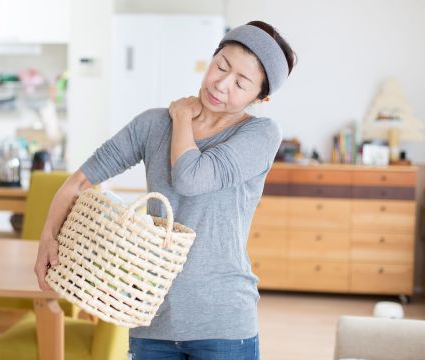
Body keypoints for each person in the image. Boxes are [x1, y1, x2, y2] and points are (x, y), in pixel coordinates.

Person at [35, 20, 297, 359]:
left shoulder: (260, 135)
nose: (221, 83)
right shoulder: (153, 124)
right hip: (151, 320)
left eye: (241, 83)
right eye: (221, 66)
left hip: (222, 324)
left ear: (260, 98)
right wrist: (47, 236)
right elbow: (80, 180)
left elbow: (190, 178)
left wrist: (183, 118)